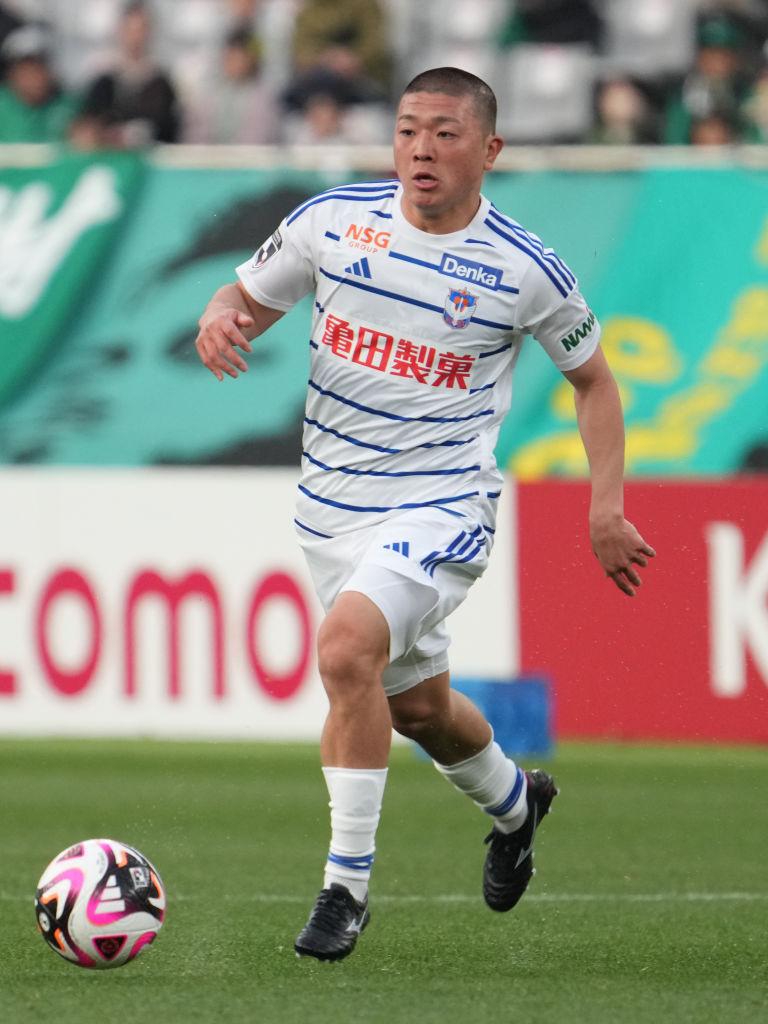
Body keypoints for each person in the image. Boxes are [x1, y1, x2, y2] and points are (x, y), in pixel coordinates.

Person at [194, 66, 655, 963]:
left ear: (489, 149)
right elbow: (241, 296)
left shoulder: (524, 268)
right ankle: (518, 805)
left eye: (445, 133)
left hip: (444, 504)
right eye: (409, 129)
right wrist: (220, 317)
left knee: (344, 651)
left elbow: (595, 382)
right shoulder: (333, 222)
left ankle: (345, 890)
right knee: (420, 710)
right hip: (331, 510)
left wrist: (606, 508)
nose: (421, 149)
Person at [80, 0, 180, 146]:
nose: (136, 37)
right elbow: (89, 123)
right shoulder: (104, 80)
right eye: (131, 30)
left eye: (141, 30)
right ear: (121, 30)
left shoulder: (162, 83)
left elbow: (169, 129)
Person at [0, 23, 78, 143]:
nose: (34, 77)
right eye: (26, 69)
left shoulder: (72, 108)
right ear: (11, 73)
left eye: (40, 68)